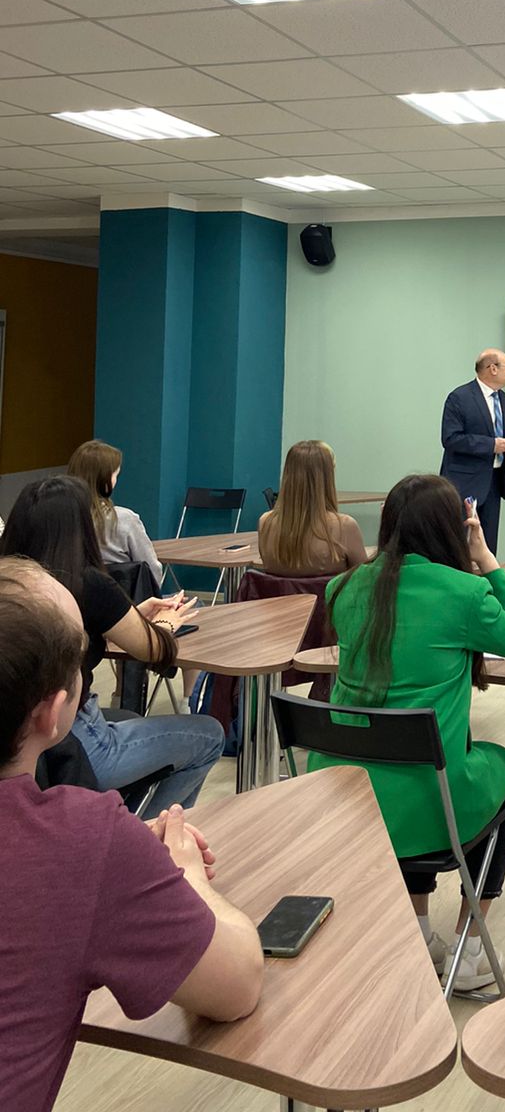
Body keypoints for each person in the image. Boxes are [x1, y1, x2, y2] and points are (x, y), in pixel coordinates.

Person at [0, 557, 262, 1110]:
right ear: (53, 711)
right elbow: (237, 983)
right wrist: (185, 875)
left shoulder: (82, 843)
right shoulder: (82, 839)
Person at [311, 474, 505, 993]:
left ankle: (417, 931)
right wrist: (487, 559)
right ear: (452, 531)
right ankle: (469, 948)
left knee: (406, 760)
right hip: (428, 801)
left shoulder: (342, 588)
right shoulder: (465, 593)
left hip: (348, 793)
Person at [0, 478, 224, 811]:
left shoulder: (13, 586)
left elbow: (66, 637)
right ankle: (143, 830)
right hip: (75, 739)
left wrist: (127, 616)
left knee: (128, 716)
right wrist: (165, 625)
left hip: (16, 733)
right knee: (208, 735)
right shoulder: (88, 583)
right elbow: (153, 651)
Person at [440, 349, 505, 552]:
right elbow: (451, 439)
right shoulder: (460, 398)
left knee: (488, 548)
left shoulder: (503, 399)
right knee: (458, 548)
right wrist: (491, 445)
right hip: (463, 484)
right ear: (492, 369)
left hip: (493, 483)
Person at [257, 439, 368, 577]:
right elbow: (365, 579)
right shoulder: (345, 526)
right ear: (327, 479)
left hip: (277, 592)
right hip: (328, 592)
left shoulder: (265, 523)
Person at [66, 438, 164, 587]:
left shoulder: (58, 517)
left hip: (71, 597)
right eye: (115, 475)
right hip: (124, 599)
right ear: (104, 479)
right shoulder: (124, 519)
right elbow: (152, 571)